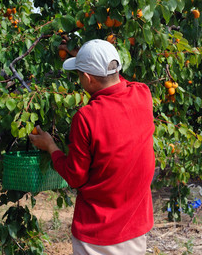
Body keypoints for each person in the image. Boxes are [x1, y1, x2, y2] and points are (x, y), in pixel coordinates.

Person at [29, 39, 156, 255]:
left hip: (98, 232)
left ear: (87, 78)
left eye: (79, 74)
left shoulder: (86, 118)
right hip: (135, 227)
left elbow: (75, 177)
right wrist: (87, 56)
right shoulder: (142, 94)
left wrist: (51, 147)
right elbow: (117, 80)